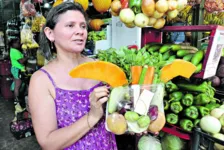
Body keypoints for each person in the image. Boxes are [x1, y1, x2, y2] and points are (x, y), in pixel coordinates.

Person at [28, 2, 117, 150]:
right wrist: (92, 116)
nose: (80, 31)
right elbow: (48, 142)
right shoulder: (41, 80)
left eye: (83, 26)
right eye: (70, 25)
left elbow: (115, 113)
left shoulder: (100, 67)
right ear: (50, 33)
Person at [9, 38, 28, 105]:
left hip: (15, 69)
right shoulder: (15, 51)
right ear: (12, 44)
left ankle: (17, 100)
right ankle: (17, 102)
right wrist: (27, 57)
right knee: (17, 86)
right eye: (17, 43)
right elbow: (21, 61)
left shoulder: (13, 50)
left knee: (16, 85)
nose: (19, 44)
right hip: (18, 70)